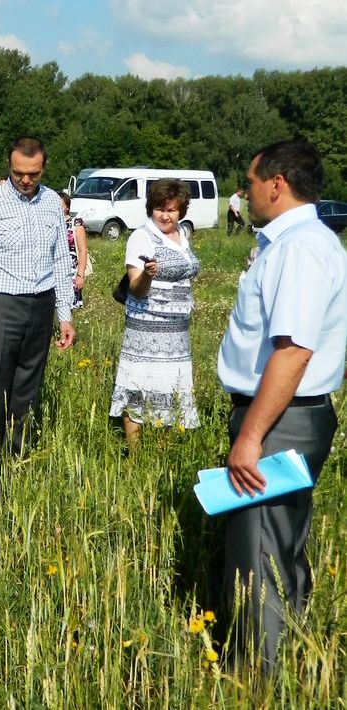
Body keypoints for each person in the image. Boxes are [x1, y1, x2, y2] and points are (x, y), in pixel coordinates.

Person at [218, 139, 347, 672]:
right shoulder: (296, 242)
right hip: (281, 417)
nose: (245, 194)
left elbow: (293, 351)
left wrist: (250, 436)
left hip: (278, 421)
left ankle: (258, 679)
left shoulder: (300, 248)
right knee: (277, 543)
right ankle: (285, 662)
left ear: (277, 184)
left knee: (262, 554)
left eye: (250, 183)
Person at [0, 137, 75, 479]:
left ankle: (15, 463)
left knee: (27, 391)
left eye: (33, 174)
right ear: (9, 167)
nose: (25, 180)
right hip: (0, 306)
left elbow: (60, 263)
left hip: (41, 306)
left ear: (43, 168)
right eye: (18, 173)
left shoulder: (53, 202)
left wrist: (65, 314)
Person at [109, 178, 201, 445]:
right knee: (138, 390)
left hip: (177, 332)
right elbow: (136, 289)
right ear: (151, 208)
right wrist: (149, 275)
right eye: (160, 209)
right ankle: (136, 457)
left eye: (171, 210)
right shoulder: (142, 236)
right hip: (147, 328)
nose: (165, 215)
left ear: (181, 211)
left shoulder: (183, 234)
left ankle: (161, 449)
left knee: (169, 389)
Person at [59, 191, 89, 309]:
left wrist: (80, 275)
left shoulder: (75, 223)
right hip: (52, 272)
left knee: (68, 309)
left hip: (71, 270)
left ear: (67, 207)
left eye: (60, 205)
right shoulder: (50, 224)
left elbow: (82, 251)